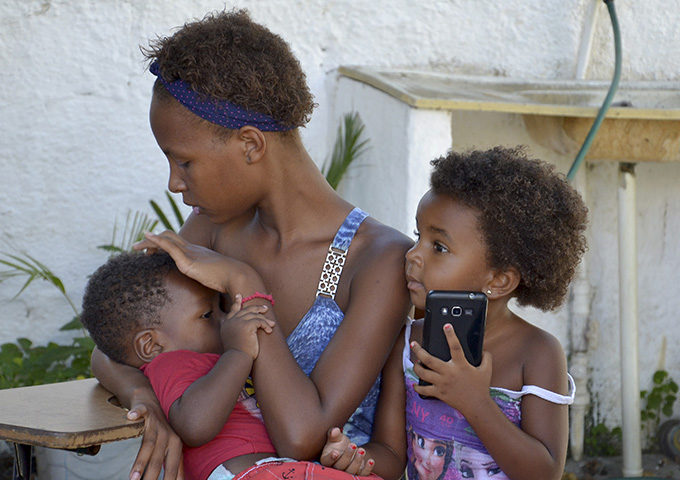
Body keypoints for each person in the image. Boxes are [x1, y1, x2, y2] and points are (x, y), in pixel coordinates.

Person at [90, 9, 412, 480]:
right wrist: (146, 398)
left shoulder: (377, 260)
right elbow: (114, 341)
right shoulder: (212, 230)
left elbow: (304, 437)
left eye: (183, 162)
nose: (174, 184)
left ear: (250, 145)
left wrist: (245, 281)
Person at [321, 146, 588, 480]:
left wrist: (475, 402)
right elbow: (390, 453)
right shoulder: (407, 343)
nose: (413, 254)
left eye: (439, 247)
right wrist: (357, 459)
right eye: (419, 236)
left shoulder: (537, 354)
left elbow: (544, 472)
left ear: (499, 279)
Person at [81, 250, 383, 480]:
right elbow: (195, 425)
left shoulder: (201, 358)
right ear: (151, 345)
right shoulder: (172, 362)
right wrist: (238, 352)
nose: (226, 321)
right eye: (208, 315)